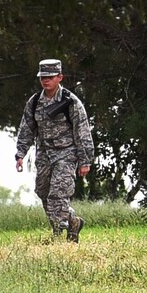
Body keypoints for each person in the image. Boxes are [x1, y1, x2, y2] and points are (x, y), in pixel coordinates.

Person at [13, 58, 94, 241]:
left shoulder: (71, 102)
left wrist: (85, 160)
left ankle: (58, 234)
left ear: (60, 77)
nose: (46, 80)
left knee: (58, 193)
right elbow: (26, 128)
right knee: (43, 192)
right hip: (44, 154)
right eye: (43, 77)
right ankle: (72, 221)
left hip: (66, 154)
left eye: (50, 77)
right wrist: (20, 154)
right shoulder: (34, 102)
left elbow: (82, 132)